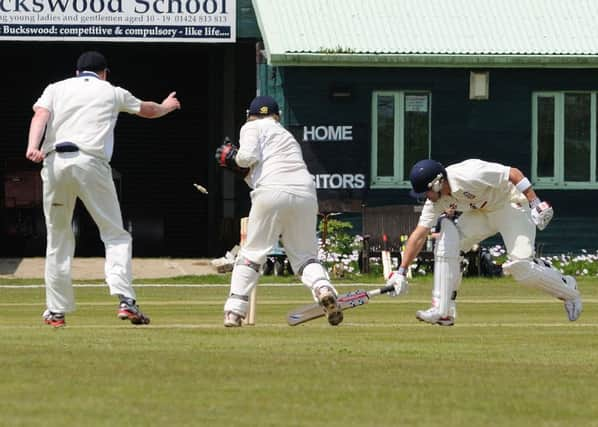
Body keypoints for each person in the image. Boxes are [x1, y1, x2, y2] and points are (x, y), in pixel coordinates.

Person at [26, 51, 181, 327]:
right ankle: (125, 301)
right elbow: (149, 110)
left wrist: (32, 147)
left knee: (58, 237)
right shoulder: (111, 91)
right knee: (115, 234)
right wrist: (168, 106)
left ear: (77, 72)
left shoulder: (55, 88)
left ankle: (56, 311)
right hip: (91, 163)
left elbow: (40, 115)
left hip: (54, 163)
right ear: (104, 72)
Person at [386, 158, 582, 326]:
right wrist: (401, 272)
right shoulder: (437, 200)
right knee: (448, 242)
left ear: (438, 183)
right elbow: (419, 234)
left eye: (426, 191)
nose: (425, 197)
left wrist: (535, 202)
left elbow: (512, 173)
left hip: (509, 206)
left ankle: (568, 290)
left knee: (522, 268)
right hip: (480, 213)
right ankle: (443, 310)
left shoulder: (469, 174)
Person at [216, 95, 342, 327]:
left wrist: (233, 157)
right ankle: (323, 288)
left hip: (272, 191)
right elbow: (262, 174)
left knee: (253, 253)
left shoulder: (251, 126)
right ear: (277, 115)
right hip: (305, 193)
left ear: (249, 114)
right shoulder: (285, 134)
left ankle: (234, 311)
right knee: (305, 257)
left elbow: (247, 159)